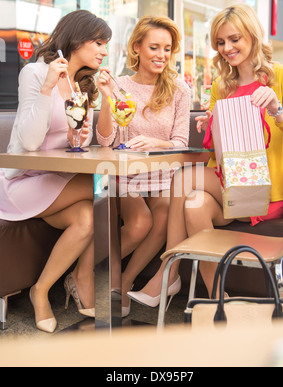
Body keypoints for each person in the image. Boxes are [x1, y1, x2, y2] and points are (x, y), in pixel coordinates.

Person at [128, 3, 283, 304]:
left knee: (182, 180)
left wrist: (277, 109)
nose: (227, 48)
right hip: (230, 189)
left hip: (266, 193)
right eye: (220, 42)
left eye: (234, 39)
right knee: (194, 205)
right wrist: (211, 128)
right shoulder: (222, 85)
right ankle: (219, 301)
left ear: (253, 36)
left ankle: (168, 273)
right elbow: (215, 154)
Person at [0, 10, 112, 333]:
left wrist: (79, 135)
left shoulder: (81, 86)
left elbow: (85, 141)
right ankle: (83, 277)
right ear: (76, 38)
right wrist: (48, 86)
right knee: (105, 188)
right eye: (99, 42)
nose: (103, 51)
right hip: (21, 181)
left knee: (87, 219)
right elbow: (31, 141)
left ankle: (41, 290)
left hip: (55, 181)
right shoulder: (35, 73)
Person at [97, 16, 190, 317]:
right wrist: (106, 99)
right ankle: (88, 270)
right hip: (127, 175)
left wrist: (156, 141)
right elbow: (106, 140)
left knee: (164, 212)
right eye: (154, 47)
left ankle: (124, 281)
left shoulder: (179, 89)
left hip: (164, 176)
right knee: (140, 223)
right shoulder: (119, 85)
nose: (162, 55)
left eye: (167, 48)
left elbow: (181, 142)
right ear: (137, 47)